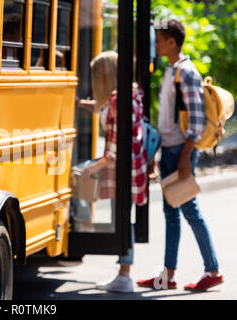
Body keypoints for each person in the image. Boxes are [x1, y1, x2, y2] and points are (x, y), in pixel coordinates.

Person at [137, 19, 224, 291]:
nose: (157, 45)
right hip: (172, 150)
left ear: (172, 42)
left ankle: (212, 270)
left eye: (160, 40)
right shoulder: (171, 70)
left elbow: (196, 120)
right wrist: (157, 152)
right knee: (172, 213)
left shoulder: (185, 72)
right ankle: (169, 275)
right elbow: (169, 119)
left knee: (189, 211)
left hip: (180, 152)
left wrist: (186, 155)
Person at [80, 50, 148, 293]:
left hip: (121, 169)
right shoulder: (124, 97)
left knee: (122, 219)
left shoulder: (119, 104)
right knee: (122, 217)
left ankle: (124, 275)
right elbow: (100, 107)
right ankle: (123, 272)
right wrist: (79, 103)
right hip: (129, 167)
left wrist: (92, 168)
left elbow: (116, 149)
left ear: (104, 77)